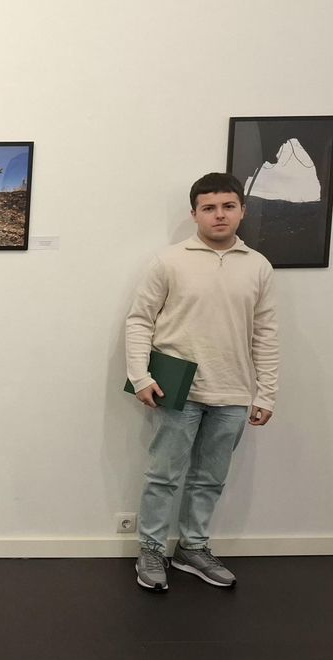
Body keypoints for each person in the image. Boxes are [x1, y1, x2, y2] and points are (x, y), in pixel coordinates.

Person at [125, 172, 278, 592]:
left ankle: (193, 548)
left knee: (210, 478)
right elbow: (139, 321)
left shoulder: (258, 266)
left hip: (233, 391)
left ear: (242, 211)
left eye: (228, 206)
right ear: (194, 213)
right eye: (209, 208)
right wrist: (140, 376)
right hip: (177, 388)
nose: (219, 215)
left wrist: (266, 392)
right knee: (163, 475)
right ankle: (153, 550)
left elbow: (265, 333)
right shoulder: (168, 261)